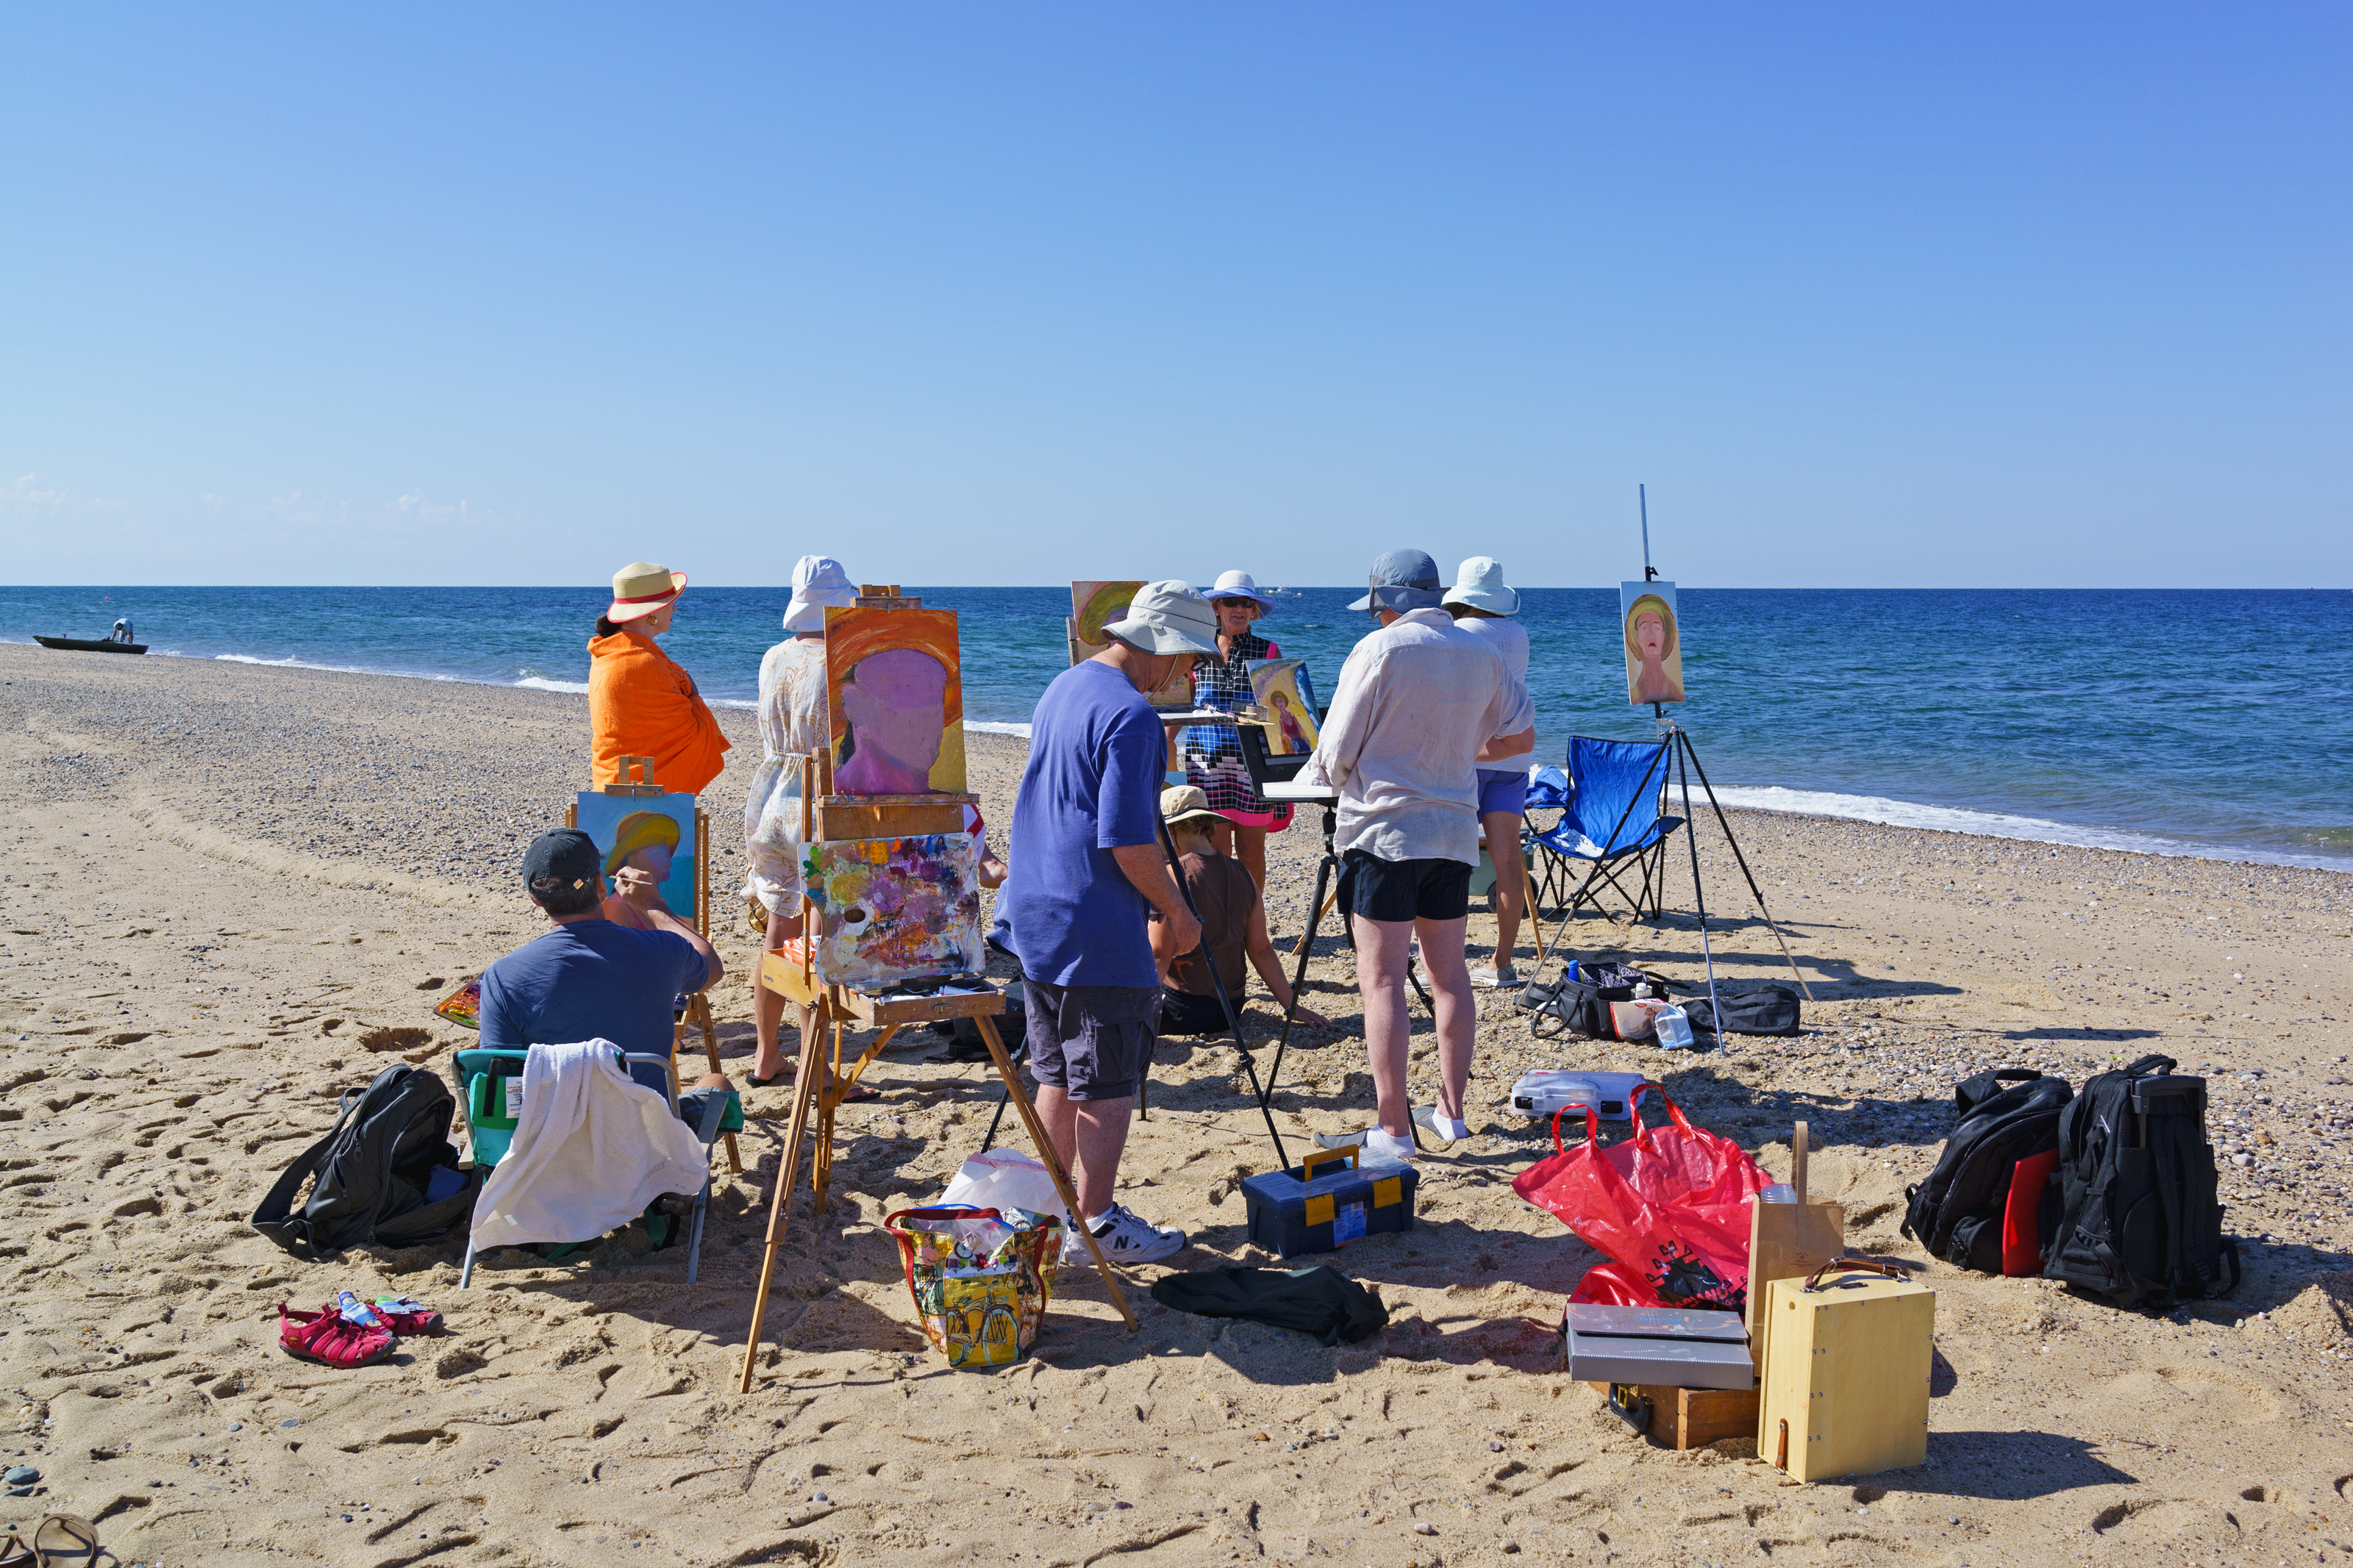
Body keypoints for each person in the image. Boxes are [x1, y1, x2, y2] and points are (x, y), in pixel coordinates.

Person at [996, 580, 1218, 1263]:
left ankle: (1048, 1209)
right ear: (1171, 651)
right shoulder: (1133, 717)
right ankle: (1095, 1220)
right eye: (1189, 660)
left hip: (1035, 910)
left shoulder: (1065, 686)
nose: (1186, 674)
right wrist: (1177, 910)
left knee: (1057, 1071)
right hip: (1091, 920)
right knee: (1109, 1080)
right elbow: (1127, 839)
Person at [1300, 550, 1534, 1161]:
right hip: (1452, 830)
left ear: (1389, 604)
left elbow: (1335, 753)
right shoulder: (1482, 651)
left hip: (1384, 833)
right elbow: (1521, 734)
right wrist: (1456, 752)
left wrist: (1366, 765)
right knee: (1450, 976)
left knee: (1382, 982)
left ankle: (1394, 1127)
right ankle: (1451, 1113)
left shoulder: (1379, 651)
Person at [477, 828, 723, 1095]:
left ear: (535, 899)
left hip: (554, 1133)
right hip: (647, 1130)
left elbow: (500, 1084)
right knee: (717, 1083)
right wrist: (654, 905)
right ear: (601, 885)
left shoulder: (501, 977)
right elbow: (711, 966)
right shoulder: (663, 950)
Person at [1149, 786, 1329, 1037]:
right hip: (1229, 1010)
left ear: (1168, 830)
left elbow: (1159, 955)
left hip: (1181, 1010)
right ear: (1208, 826)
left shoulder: (1173, 878)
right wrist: (1292, 1006)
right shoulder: (1242, 872)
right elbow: (1261, 948)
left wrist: (1134, 1013)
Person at [1443, 556, 1535, 989]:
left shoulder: (1459, 631)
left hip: (1470, 757)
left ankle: (1445, 960)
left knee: (1451, 863)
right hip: (1513, 760)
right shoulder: (1518, 634)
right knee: (1507, 860)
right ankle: (1503, 962)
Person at [1175, 570, 1293, 892]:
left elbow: (1283, 714)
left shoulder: (1269, 652)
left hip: (1251, 767)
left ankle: (1252, 926)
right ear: (1217, 606)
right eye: (1231, 601)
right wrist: (1160, 751)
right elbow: (1179, 707)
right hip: (1204, 766)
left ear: (1253, 609)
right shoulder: (1195, 650)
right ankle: (1224, 927)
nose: (1238, 608)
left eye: (1246, 602)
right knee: (1215, 852)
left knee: (1252, 852)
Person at [588, 561, 731, 795]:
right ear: (651, 613)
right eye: (670, 603)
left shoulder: (606, 653)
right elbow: (693, 737)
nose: (674, 609)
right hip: (650, 793)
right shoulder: (646, 663)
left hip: (609, 783)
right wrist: (694, 695)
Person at [1624, 593, 1685, 705]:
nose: (1651, 635)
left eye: (1657, 627)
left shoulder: (1675, 693)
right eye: (1644, 627)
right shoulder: (1635, 694)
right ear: (1637, 636)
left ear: (1664, 635)